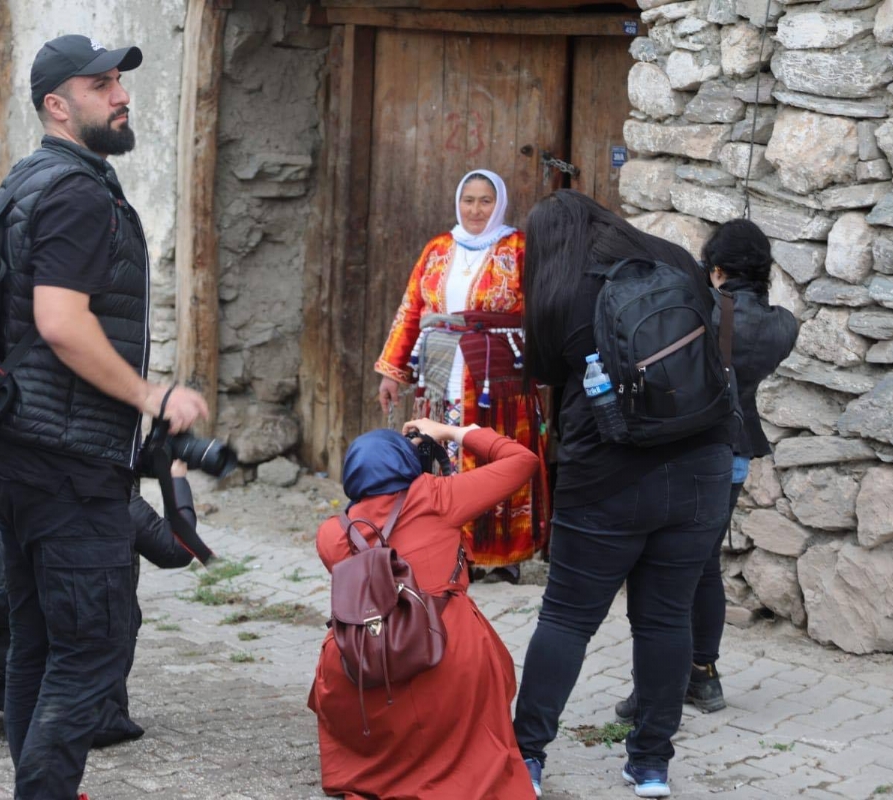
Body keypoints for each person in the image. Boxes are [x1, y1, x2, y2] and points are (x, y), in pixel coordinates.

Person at [0, 34, 208, 799]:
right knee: (91, 653)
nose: (121, 95)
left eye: (120, 81)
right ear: (57, 105)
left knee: (39, 646)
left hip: (16, 451)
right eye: (101, 84)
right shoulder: (76, 192)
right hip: (66, 463)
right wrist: (154, 398)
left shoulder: (27, 180)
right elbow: (61, 321)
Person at [510, 190, 733, 799]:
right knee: (664, 620)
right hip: (700, 465)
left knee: (565, 618)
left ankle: (525, 757)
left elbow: (549, 375)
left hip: (606, 476)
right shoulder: (671, 258)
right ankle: (652, 766)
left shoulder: (558, 288)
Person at [615, 219, 798, 722]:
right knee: (702, 565)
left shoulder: (704, 308)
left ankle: (655, 688)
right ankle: (704, 676)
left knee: (662, 568)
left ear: (716, 270)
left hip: (685, 449)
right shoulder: (785, 324)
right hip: (735, 455)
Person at [308, 418, 540, 800]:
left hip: (368, 667)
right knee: (473, 641)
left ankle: (383, 768)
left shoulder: (331, 535)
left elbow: (375, 527)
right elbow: (522, 459)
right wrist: (451, 433)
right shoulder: (436, 496)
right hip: (444, 656)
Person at [0, 466, 197, 744]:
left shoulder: (8, 465)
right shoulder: (102, 485)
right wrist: (176, 478)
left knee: (9, 586)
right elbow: (177, 548)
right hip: (56, 668)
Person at [375, 170, 549, 582]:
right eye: (468, 199)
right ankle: (451, 549)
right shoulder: (437, 248)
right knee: (442, 455)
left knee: (494, 455)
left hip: (497, 377)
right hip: (439, 370)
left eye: (485, 200)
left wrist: (543, 367)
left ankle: (502, 555)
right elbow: (411, 311)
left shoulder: (520, 248)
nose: (475, 209)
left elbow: (543, 310)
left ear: (499, 203)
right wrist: (392, 373)